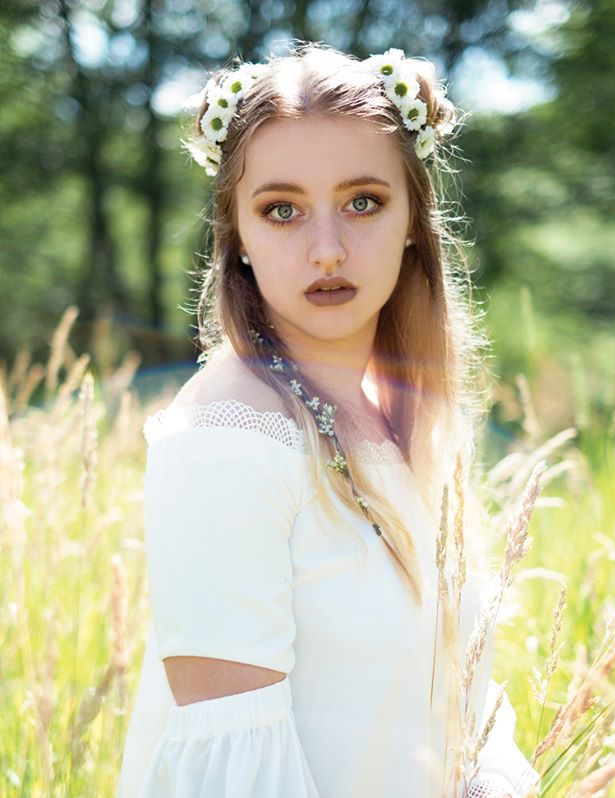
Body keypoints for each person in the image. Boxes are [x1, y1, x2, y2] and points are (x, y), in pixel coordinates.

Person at [117, 44, 539, 797]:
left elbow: (457, 703)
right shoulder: (229, 440)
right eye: (281, 210)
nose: (327, 249)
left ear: (413, 218)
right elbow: (232, 771)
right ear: (237, 237)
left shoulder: (407, 422)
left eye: (363, 202)